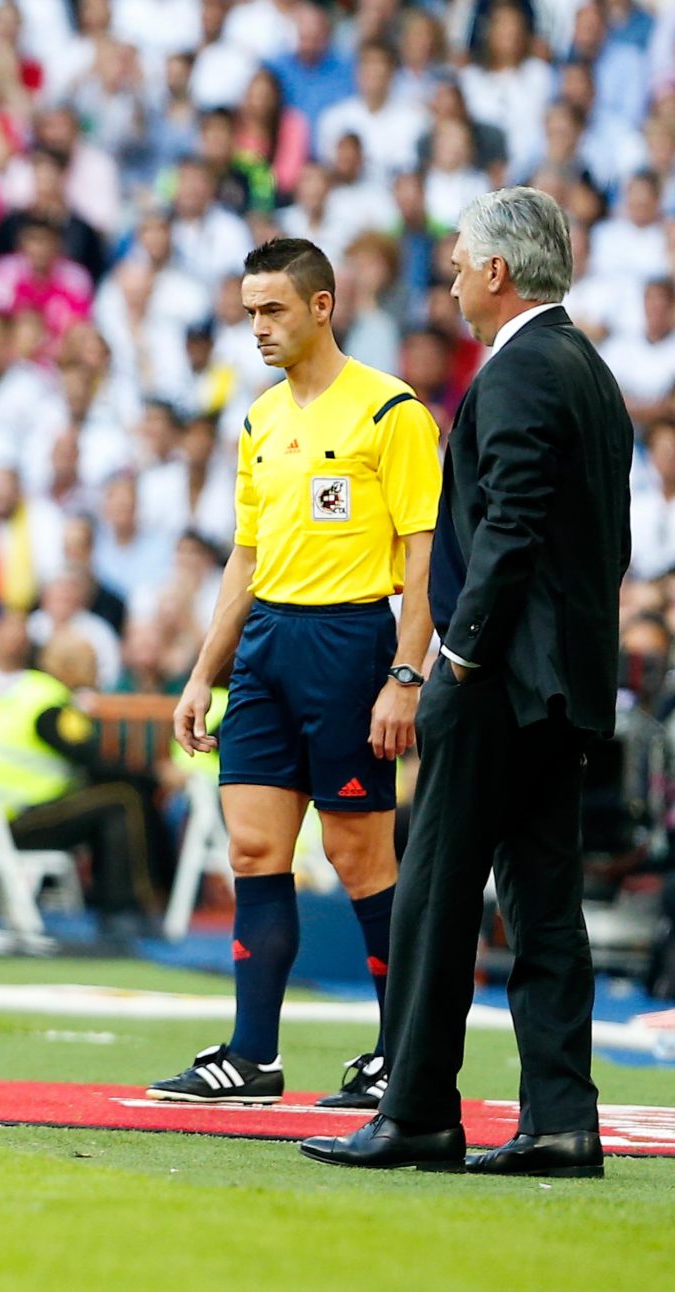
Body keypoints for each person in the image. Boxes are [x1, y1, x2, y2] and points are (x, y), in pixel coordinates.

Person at [304, 188, 630, 1177]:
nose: (448, 277)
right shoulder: (588, 370)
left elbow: (512, 528)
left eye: (457, 262)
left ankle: (414, 1110)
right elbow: (593, 542)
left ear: (497, 271)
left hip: (494, 681)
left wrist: (459, 654)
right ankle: (561, 1119)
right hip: (561, 684)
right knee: (542, 902)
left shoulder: (522, 369)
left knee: (436, 892)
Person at [159, 238, 441, 1108]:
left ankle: (405, 1055)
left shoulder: (391, 413)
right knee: (252, 847)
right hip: (266, 648)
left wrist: (405, 673)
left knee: (360, 858)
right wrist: (204, 671)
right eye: (249, 312)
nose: (257, 328)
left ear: (323, 306)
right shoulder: (259, 419)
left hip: (350, 642)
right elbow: (247, 554)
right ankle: (253, 1057)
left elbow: (427, 555)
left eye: (272, 309)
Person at [0, 624, 161, 943]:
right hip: (16, 819)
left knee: (108, 800)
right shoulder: (52, 703)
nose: (98, 675)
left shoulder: (24, 690)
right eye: (93, 665)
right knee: (123, 799)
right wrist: (154, 774)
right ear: (70, 667)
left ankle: (114, 905)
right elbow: (93, 757)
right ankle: (123, 911)